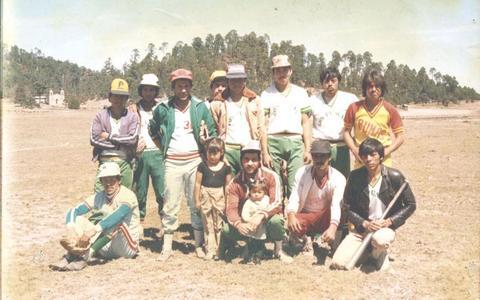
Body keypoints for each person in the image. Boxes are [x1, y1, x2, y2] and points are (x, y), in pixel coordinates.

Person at [149, 68, 217, 261]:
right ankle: (167, 247)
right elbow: (152, 130)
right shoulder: (164, 108)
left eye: (186, 85)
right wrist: (164, 149)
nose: (183, 90)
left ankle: (198, 245)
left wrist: (206, 140)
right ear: (173, 87)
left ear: (191, 86)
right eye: (179, 86)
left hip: (194, 160)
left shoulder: (200, 107)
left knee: (195, 203)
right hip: (172, 161)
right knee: (170, 202)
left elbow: (210, 132)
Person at [330, 138, 416, 271]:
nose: (368, 159)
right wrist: (364, 223)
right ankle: (369, 252)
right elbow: (346, 206)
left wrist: (390, 221)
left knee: (380, 240)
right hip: (361, 230)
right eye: (364, 155)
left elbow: (411, 204)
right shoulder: (355, 177)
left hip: (383, 228)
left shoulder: (394, 176)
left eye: (373, 155)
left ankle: (377, 254)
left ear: (381, 156)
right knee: (338, 263)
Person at [49, 162, 140, 271]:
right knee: (78, 220)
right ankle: (72, 255)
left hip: (127, 248)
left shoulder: (128, 195)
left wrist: (93, 230)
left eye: (112, 180)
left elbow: (118, 215)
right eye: (105, 180)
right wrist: (71, 228)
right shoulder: (99, 196)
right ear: (101, 181)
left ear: (119, 180)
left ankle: (84, 257)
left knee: (115, 222)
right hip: (105, 247)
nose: (108, 184)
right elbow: (74, 210)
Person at [222, 140, 292, 263]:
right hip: (248, 222)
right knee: (227, 229)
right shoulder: (235, 182)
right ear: (241, 160)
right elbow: (231, 208)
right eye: (246, 159)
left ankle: (278, 249)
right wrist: (239, 224)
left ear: (259, 160)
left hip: (267, 220)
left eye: (254, 159)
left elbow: (276, 203)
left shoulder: (271, 176)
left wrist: (261, 215)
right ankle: (250, 246)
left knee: (276, 221)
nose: (250, 163)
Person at [261, 54, 312, 198]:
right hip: (273, 141)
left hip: (295, 140)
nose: (281, 74)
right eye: (278, 70)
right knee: (274, 185)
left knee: (295, 183)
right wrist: (265, 152)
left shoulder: (300, 93)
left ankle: (293, 217)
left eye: (285, 70)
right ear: (273, 73)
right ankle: (276, 218)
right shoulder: (266, 94)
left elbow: (306, 122)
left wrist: (307, 149)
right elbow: (263, 126)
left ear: (290, 71)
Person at [286, 140, 346, 262]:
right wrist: (291, 215)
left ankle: (327, 240)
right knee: (291, 223)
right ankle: (306, 239)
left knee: (343, 209)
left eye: (323, 156)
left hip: (325, 215)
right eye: (316, 156)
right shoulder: (302, 172)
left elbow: (336, 205)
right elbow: (295, 196)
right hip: (307, 214)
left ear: (330, 157)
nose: (319, 160)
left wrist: (333, 227)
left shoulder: (338, 178)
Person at [210, 64, 269, 175]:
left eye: (239, 80)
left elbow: (262, 127)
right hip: (228, 150)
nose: (236, 83)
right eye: (232, 80)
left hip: (249, 149)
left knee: (251, 186)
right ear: (227, 81)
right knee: (229, 185)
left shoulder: (255, 100)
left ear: (245, 81)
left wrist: (264, 152)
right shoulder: (218, 103)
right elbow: (214, 129)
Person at [343, 69, 404, 169]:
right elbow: (346, 132)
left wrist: (387, 151)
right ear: (365, 88)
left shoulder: (390, 109)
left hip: (383, 160)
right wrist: (354, 149)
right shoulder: (354, 108)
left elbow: (400, 137)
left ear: (382, 88)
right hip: (362, 158)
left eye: (377, 86)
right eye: (370, 86)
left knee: (383, 184)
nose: (373, 89)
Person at [90, 78, 139, 192]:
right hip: (105, 162)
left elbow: (132, 139)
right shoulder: (100, 116)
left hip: (124, 162)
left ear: (127, 99)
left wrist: (109, 136)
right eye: (116, 96)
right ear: (110, 97)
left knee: (124, 199)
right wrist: (118, 145)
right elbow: (94, 139)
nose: (119, 99)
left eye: (122, 96)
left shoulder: (132, 117)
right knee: (99, 199)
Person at [310, 67, 359, 178]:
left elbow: (359, 122)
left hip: (342, 146)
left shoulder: (350, 99)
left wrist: (356, 145)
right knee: (320, 181)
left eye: (333, 81)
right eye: (326, 81)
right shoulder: (313, 100)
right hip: (320, 147)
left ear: (338, 81)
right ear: (322, 83)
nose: (330, 84)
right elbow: (307, 124)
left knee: (342, 180)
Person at [132, 73, 165, 223]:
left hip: (158, 153)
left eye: (152, 90)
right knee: (140, 191)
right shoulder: (133, 109)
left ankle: (166, 225)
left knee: (162, 191)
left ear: (156, 91)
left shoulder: (162, 108)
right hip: (141, 155)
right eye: (145, 89)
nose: (148, 93)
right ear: (141, 91)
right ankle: (139, 222)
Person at [194, 137, 232, 260]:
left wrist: (227, 201)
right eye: (210, 152)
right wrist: (197, 200)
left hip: (219, 197)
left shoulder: (226, 168)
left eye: (216, 153)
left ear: (221, 153)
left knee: (218, 224)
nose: (212, 156)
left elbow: (227, 186)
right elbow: (197, 184)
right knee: (208, 224)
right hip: (206, 196)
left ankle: (219, 250)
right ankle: (209, 249)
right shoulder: (202, 166)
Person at [240, 179, 271, 264]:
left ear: (264, 192)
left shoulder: (266, 200)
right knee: (251, 242)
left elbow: (268, 209)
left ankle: (258, 257)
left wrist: (262, 216)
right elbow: (244, 214)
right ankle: (248, 257)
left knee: (260, 242)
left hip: (261, 227)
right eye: (254, 192)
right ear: (250, 192)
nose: (256, 194)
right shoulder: (249, 202)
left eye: (259, 192)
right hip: (251, 226)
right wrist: (249, 220)